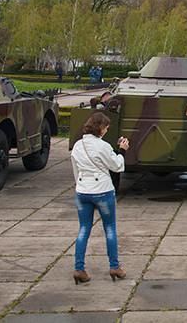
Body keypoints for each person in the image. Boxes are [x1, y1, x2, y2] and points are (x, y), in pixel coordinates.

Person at [70, 112, 129, 284]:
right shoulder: (103, 146)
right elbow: (117, 166)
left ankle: (79, 268)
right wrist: (122, 151)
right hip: (102, 191)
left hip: (82, 191)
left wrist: (80, 187)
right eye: (106, 128)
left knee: (83, 230)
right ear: (101, 129)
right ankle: (114, 266)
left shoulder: (78, 146)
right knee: (109, 229)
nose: (106, 130)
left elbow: (76, 170)